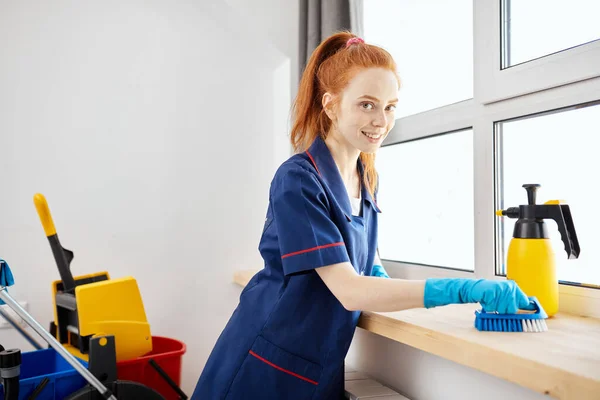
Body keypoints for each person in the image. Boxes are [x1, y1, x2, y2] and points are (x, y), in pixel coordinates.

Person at [191, 31, 533, 400]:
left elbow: (368, 264)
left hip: (317, 366)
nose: (381, 121)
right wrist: (463, 288)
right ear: (331, 104)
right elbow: (351, 289)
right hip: (263, 366)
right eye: (367, 104)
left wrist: (391, 283)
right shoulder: (298, 180)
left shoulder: (365, 178)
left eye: (390, 106)